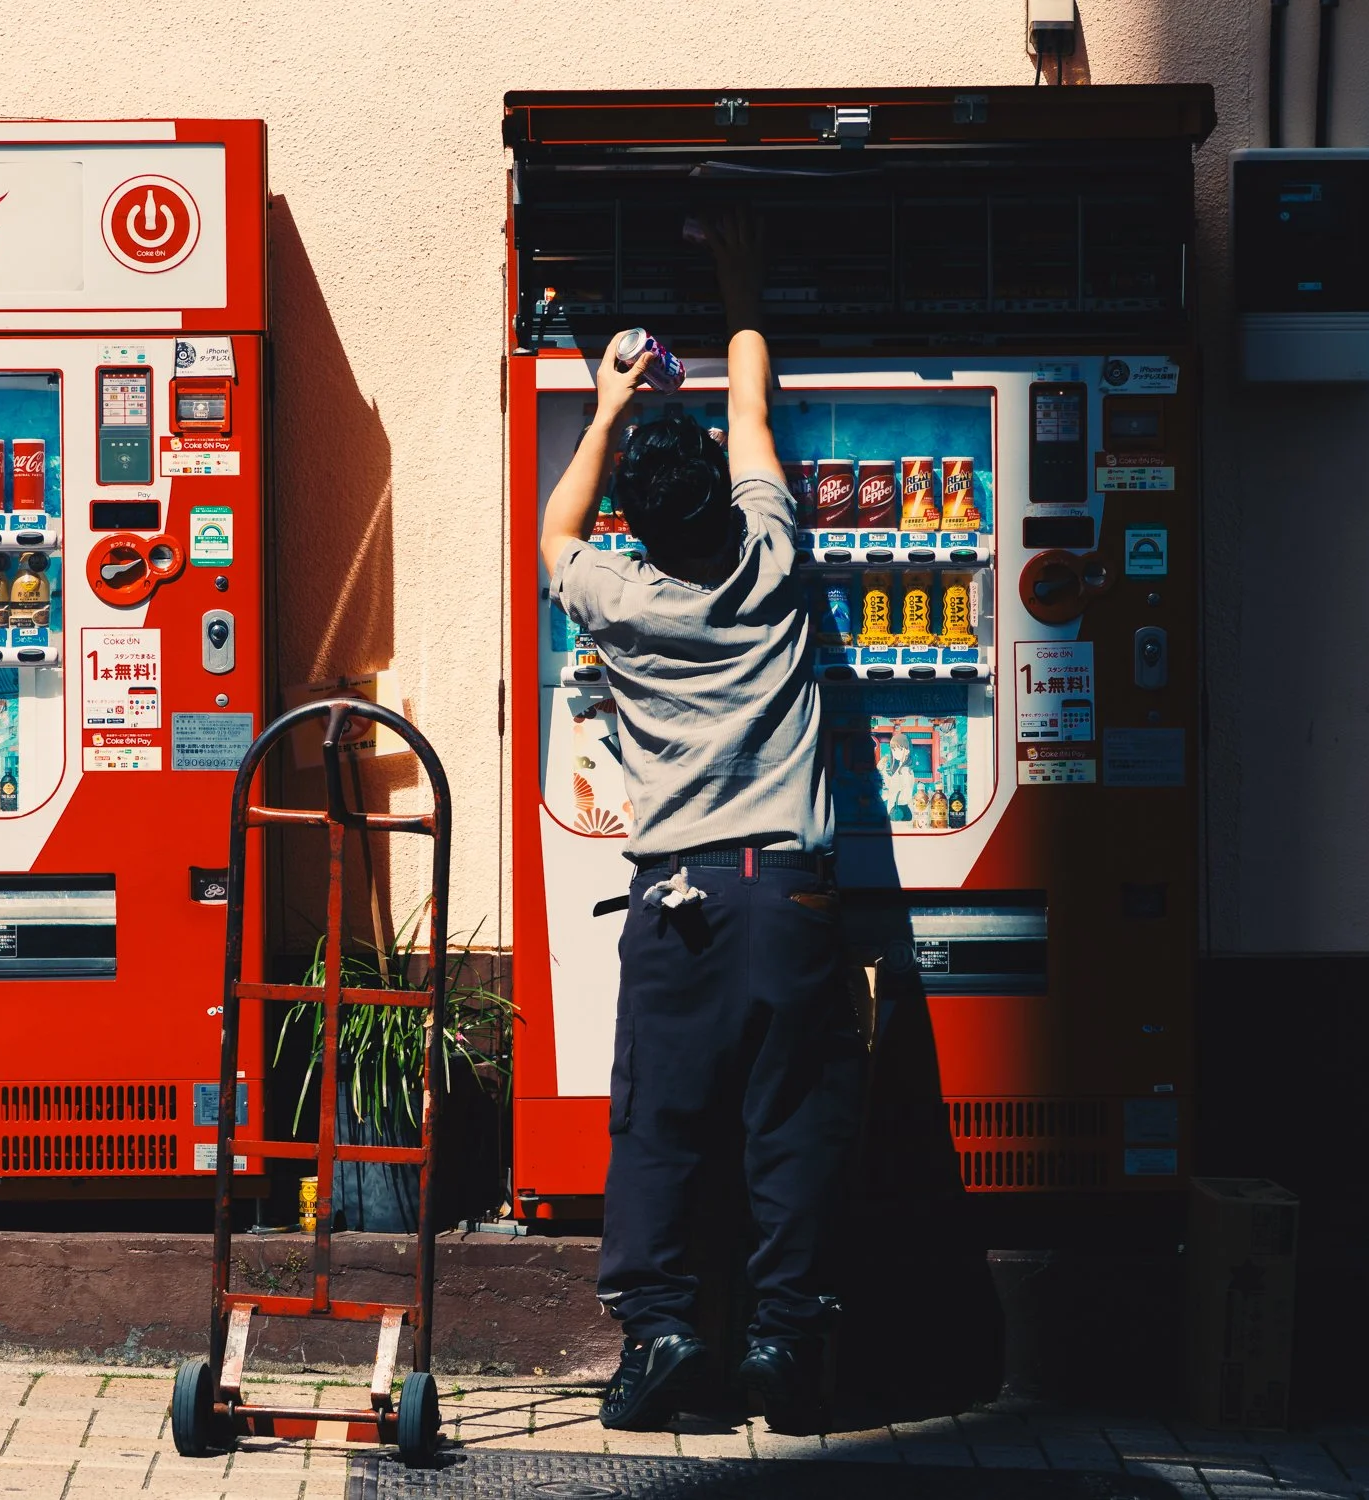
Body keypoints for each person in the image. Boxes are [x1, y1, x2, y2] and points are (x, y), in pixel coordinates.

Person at [539, 216, 865, 1432]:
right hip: (792, 894)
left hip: (676, 902)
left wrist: (610, 407)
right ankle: (787, 1347)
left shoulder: (618, 592)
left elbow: (554, 534)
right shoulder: (774, 557)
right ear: (729, 504)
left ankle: (667, 1339)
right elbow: (757, 426)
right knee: (792, 1123)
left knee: (662, 1126)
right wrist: (740, 282)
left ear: (638, 520)